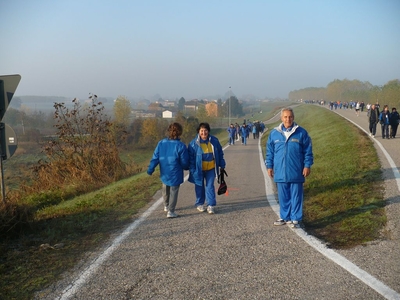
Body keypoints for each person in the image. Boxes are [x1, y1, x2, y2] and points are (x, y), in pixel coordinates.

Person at [265, 108, 314, 228]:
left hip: (296, 171)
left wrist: (307, 166)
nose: (288, 119)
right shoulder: (274, 133)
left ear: (293, 118)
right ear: (281, 118)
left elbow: (308, 151)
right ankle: (284, 216)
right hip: (280, 171)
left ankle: (296, 218)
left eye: (290, 117)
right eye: (285, 117)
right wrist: (269, 166)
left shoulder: (301, 133)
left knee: (296, 196)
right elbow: (270, 152)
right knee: (283, 196)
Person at [147, 122, 189, 218]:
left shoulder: (161, 143)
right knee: (174, 191)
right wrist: (187, 167)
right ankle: (171, 210)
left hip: (164, 171)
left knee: (165, 188)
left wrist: (150, 169)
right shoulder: (181, 145)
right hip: (176, 171)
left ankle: (166, 205)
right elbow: (184, 162)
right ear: (180, 132)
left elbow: (155, 157)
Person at [188, 122, 226, 214]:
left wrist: (222, 164)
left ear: (208, 131)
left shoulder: (214, 141)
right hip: (199, 169)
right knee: (199, 186)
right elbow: (191, 158)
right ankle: (200, 203)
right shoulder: (193, 144)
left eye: (205, 131)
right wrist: (193, 170)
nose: (204, 133)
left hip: (211, 169)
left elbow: (220, 153)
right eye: (202, 131)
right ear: (198, 132)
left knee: (209, 186)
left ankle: (211, 205)